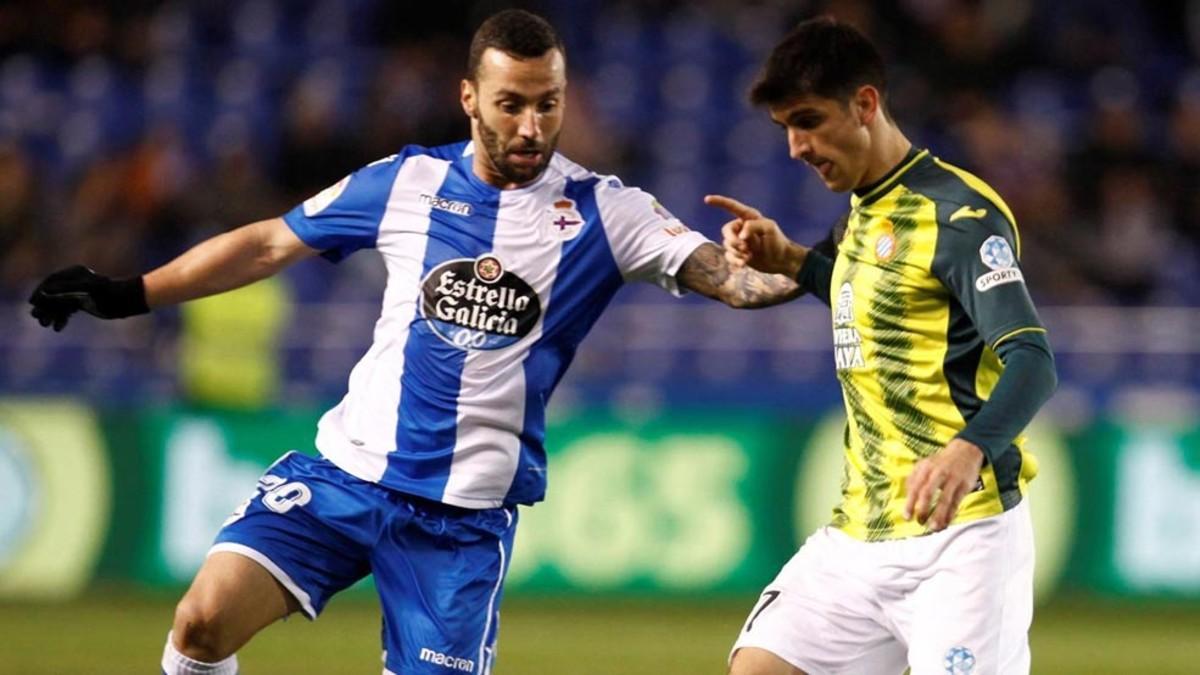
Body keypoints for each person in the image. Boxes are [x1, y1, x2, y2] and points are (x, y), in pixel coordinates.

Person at [27, 10, 801, 675]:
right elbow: (269, 243)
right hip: (346, 477)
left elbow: (735, 283)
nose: (531, 126)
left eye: (548, 104)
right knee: (200, 621)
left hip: (459, 523)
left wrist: (795, 263)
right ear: (469, 98)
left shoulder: (608, 211)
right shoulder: (407, 183)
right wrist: (130, 293)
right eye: (510, 105)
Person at [707, 17, 1058, 675]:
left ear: (865, 104)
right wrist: (790, 259)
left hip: (963, 537)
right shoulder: (863, 214)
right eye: (785, 127)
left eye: (808, 121)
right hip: (859, 532)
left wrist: (966, 451)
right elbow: (873, 306)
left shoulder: (958, 217)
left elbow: (1033, 360)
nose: (795, 147)